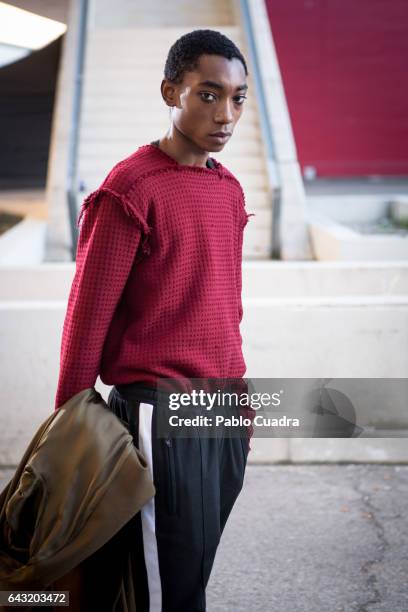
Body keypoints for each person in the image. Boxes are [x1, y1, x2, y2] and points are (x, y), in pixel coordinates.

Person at [54, 28, 254, 612]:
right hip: (155, 412)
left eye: (238, 98)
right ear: (172, 91)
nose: (226, 113)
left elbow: (226, 308)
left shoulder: (230, 191)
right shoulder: (128, 190)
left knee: (185, 580)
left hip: (222, 411)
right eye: (209, 94)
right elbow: (85, 321)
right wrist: (69, 438)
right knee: (163, 591)